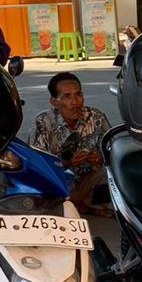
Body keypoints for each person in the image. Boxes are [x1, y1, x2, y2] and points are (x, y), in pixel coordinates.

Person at [30, 72, 112, 212]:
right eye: (67, 96)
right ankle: (83, 204)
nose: (75, 102)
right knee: (37, 183)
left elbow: (112, 149)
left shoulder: (96, 116)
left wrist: (99, 158)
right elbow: (37, 163)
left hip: (91, 180)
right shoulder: (43, 122)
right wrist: (67, 163)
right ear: (54, 102)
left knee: (113, 175)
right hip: (61, 181)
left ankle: (75, 203)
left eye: (78, 94)